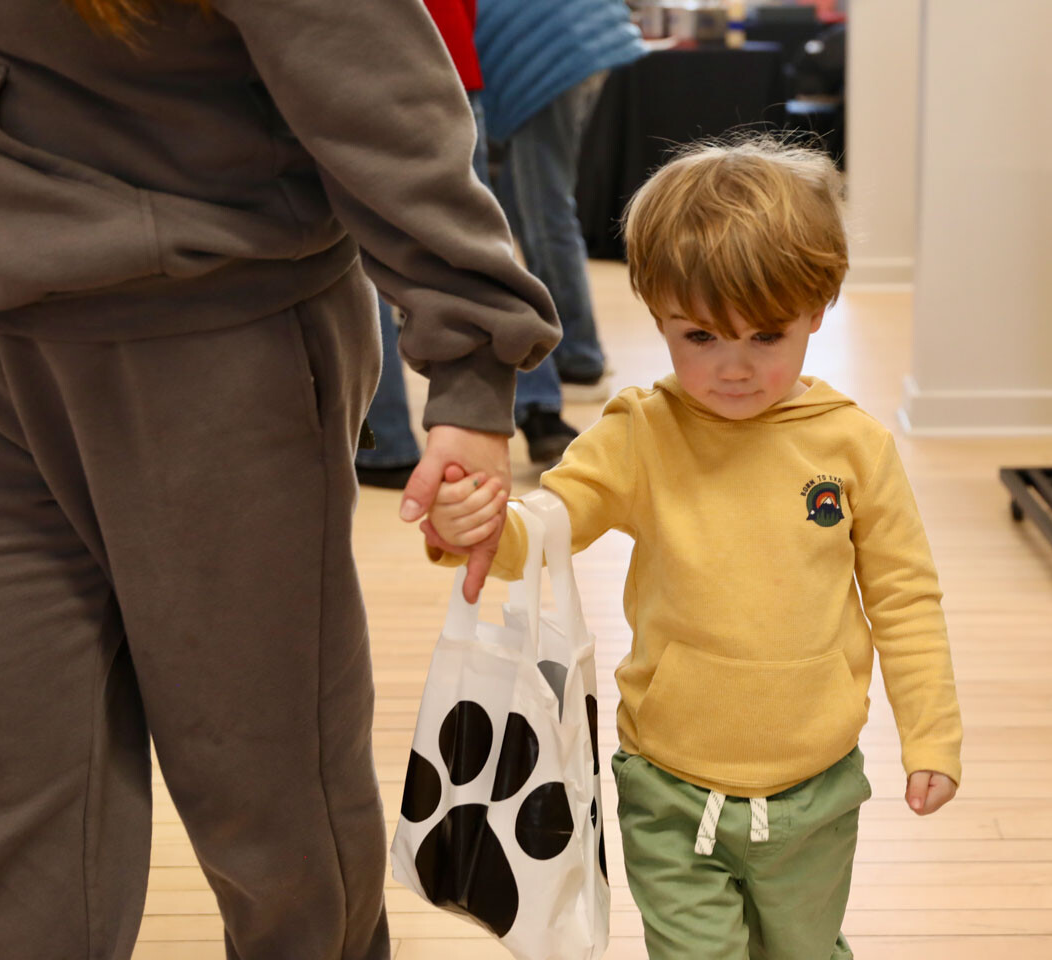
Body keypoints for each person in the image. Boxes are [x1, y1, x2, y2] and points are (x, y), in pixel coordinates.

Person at [0, 0, 558, 956]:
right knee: (26, 795)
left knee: (268, 797)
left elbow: (381, 89)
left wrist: (471, 371)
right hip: (15, 346)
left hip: (214, 344)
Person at [425, 137, 964, 960]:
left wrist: (931, 735)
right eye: (701, 336)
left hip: (817, 787)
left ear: (818, 309)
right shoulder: (642, 432)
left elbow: (905, 599)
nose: (734, 368)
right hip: (670, 787)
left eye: (766, 335)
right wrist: (478, 526)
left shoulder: (854, 447)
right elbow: (550, 523)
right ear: (659, 316)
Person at [474, 0, 648, 462]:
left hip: (546, 53)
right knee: (531, 206)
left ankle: (578, 359)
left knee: (542, 212)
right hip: (574, 34)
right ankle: (572, 358)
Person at [357, 0, 489, 488]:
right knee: (475, 248)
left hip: (377, 69)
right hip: (452, 66)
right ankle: (530, 408)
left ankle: (388, 444)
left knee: (363, 251)